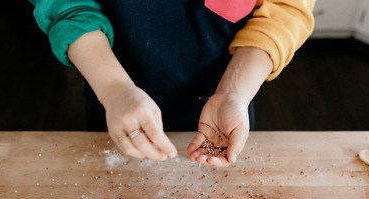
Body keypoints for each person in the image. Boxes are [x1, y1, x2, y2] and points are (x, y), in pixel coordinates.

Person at [30, 0, 315, 167]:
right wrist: (114, 88)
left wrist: (233, 93)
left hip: (228, 94)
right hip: (113, 93)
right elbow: (66, 6)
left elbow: (284, 10)